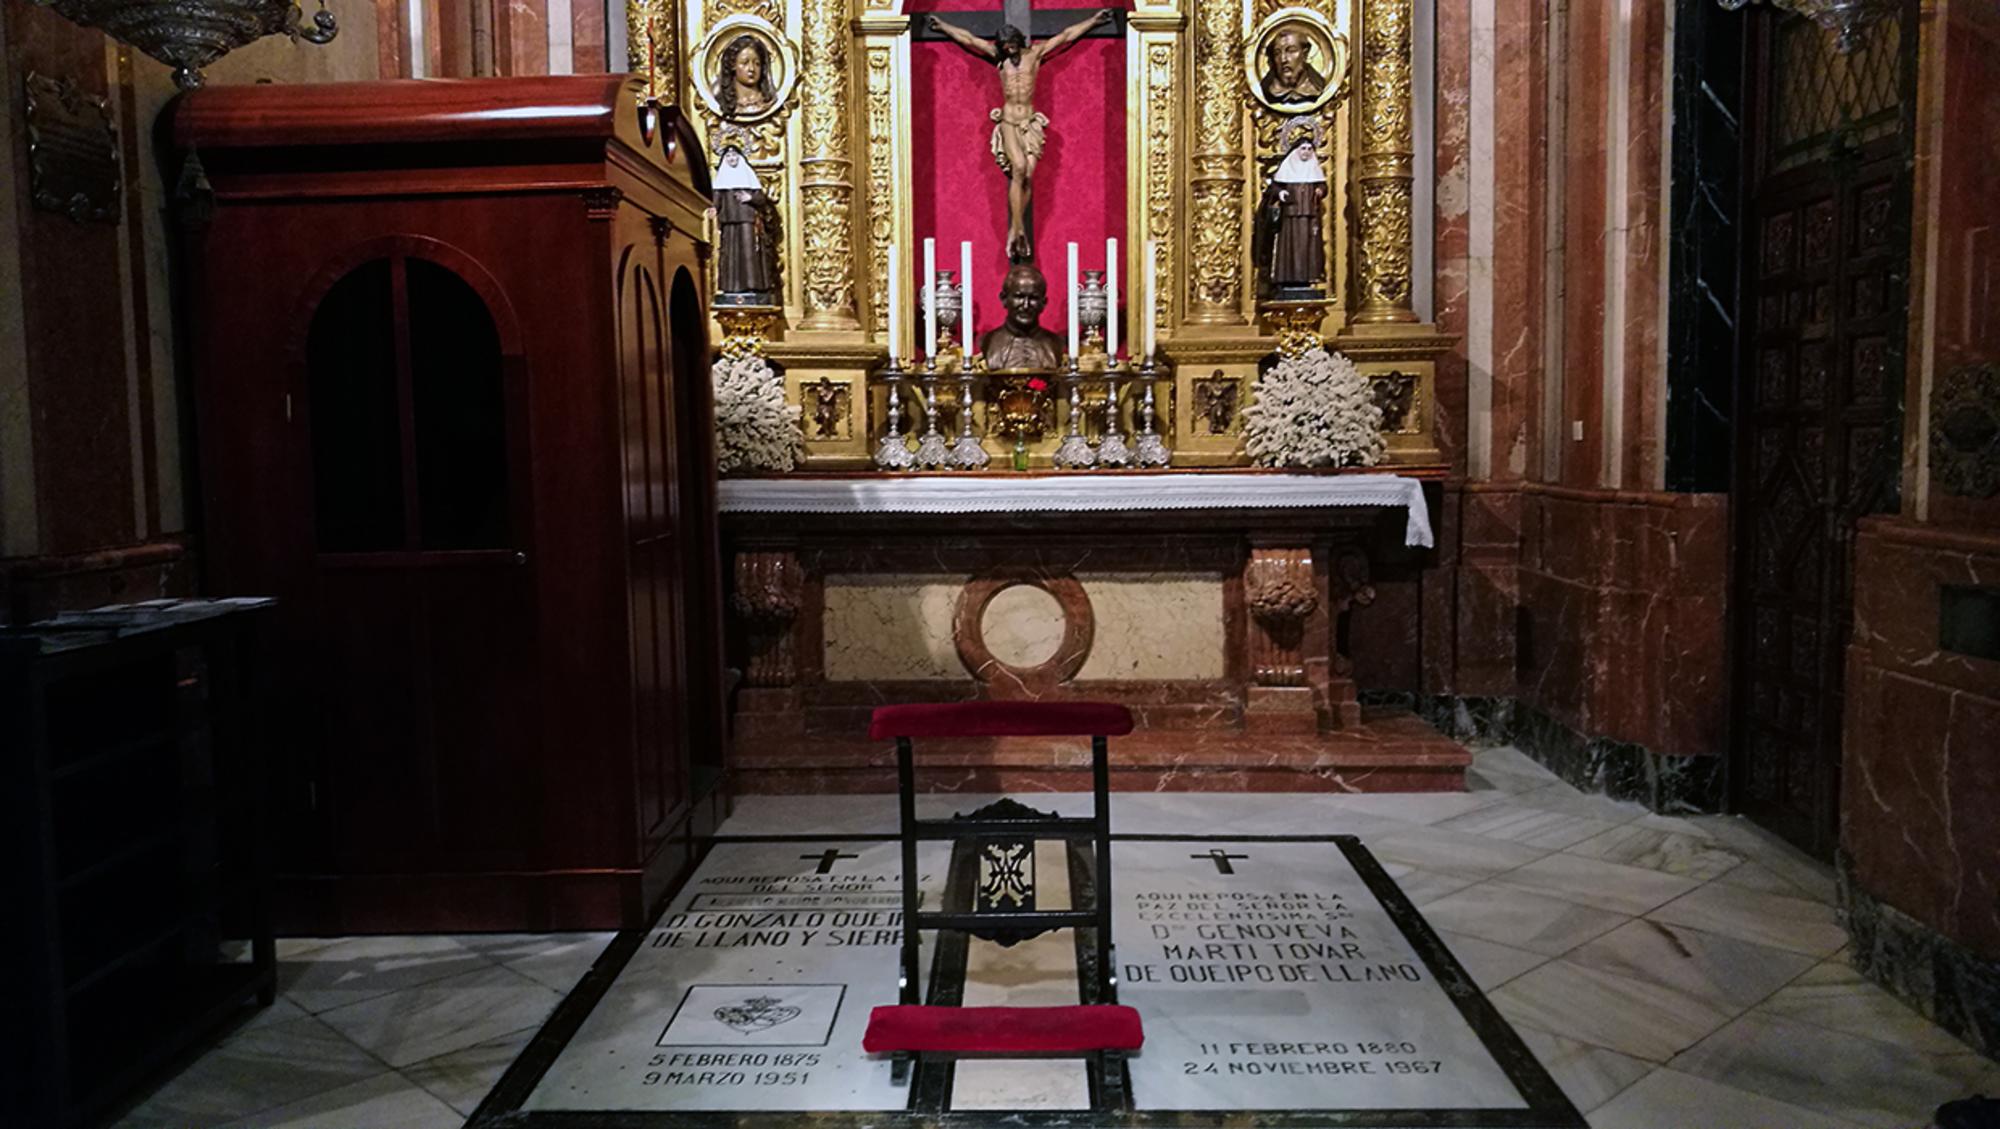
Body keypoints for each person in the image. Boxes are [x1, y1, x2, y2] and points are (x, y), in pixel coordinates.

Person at [929, 8, 1114, 263]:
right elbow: (970, 39)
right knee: (1018, 167)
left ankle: (1016, 230)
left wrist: (1093, 21)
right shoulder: (999, 58)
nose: (1010, 50)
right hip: (1008, 121)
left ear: (1019, 41)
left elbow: (1066, 35)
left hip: (1030, 121)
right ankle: (1017, 230)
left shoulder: (1035, 54)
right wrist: (943, 26)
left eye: (1012, 45)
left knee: (1027, 174)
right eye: (1005, 46)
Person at [1255, 134, 1329, 291]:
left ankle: (1307, 278)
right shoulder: (1287, 168)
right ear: (1296, 151)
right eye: (1303, 149)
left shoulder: (1314, 168)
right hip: (1289, 216)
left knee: (1308, 247)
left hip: (1309, 216)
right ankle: (1287, 278)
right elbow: (1275, 187)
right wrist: (1281, 193)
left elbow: (1323, 186)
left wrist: (1320, 190)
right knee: (1289, 247)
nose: (1306, 152)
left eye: (1309, 149)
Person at [714, 148, 780, 299]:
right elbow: (717, 198)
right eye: (728, 156)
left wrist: (749, 198)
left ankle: (752, 285)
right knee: (730, 254)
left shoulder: (748, 175)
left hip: (747, 220)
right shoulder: (721, 179)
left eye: (734, 155)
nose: (731, 159)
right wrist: (713, 209)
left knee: (749, 254)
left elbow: (761, 199)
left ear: (740, 158)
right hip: (729, 221)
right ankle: (731, 287)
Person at [978, 263, 1065, 370]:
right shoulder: (988, 341)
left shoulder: (1055, 343)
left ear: (1043, 303)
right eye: (1019, 297)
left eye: (1033, 298)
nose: (1026, 305)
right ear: (1004, 299)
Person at [1259, 27, 1326, 104]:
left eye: (1291, 51)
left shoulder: (1317, 86)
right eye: (1277, 53)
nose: (1283, 59)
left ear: (1305, 54)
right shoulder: (1267, 88)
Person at [716, 34, 776, 119]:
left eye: (757, 64)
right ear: (733, 65)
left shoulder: (769, 102)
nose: (751, 69)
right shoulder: (722, 102)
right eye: (745, 63)